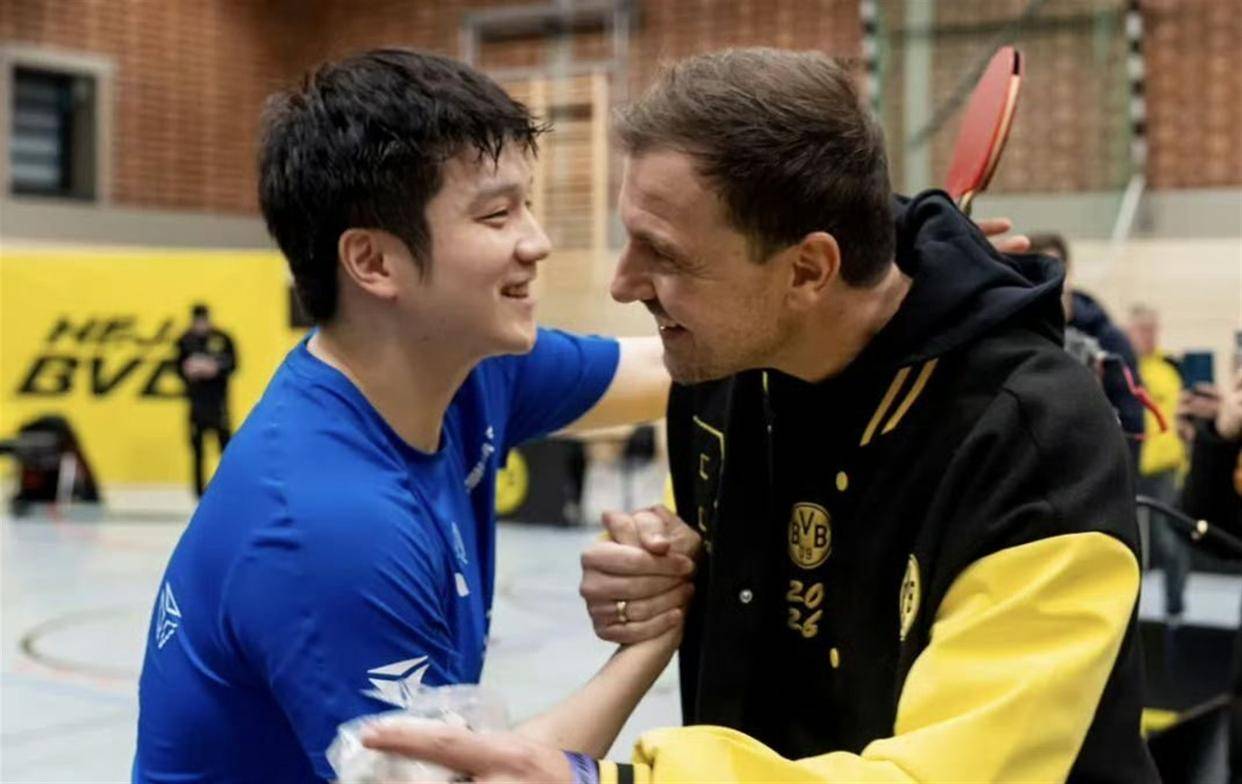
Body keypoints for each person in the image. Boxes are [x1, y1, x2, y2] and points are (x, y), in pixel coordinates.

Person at [365, 48, 1158, 783]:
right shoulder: (727, 362)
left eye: (664, 254)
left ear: (809, 270)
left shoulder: (1035, 443)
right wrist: (671, 569)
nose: (622, 283)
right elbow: (739, 564)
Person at [134, 49, 685, 783]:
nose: (537, 241)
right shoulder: (330, 525)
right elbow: (483, 782)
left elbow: (673, 368)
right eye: (496, 214)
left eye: (526, 205)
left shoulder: (471, 369)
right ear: (374, 263)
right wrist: (654, 636)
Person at [1028, 233, 1146, 470]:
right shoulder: (1018, 337)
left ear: (1068, 271)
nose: (1045, 281)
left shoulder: (1108, 340)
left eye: (1051, 268)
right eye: (1034, 272)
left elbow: (1131, 420)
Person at [1126, 302, 1190, 618]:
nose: (1148, 335)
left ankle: (1174, 607)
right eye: (1142, 329)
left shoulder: (1169, 370)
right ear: (1129, 332)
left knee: (1170, 541)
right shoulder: (1122, 369)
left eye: (1153, 329)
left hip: (1164, 469)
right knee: (1128, 544)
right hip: (1130, 466)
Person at [175, 303, 237, 497]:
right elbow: (176, 367)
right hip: (196, 403)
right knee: (197, 451)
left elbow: (233, 363)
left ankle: (230, 487)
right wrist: (189, 370)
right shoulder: (185, 340)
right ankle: (198, 492)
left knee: (225, 448)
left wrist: (214, 368)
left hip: (218, 403)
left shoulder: (222, 338)